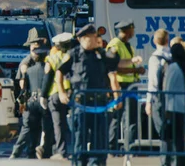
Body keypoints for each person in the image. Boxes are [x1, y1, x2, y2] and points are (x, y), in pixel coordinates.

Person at [57, 24, 119, 166]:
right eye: (93, 37)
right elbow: (59, 72)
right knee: (80, 137)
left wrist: (116, 95)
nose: (96, 39)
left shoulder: (101, 54)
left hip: (99, 103)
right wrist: (61, 92)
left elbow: (113, 70)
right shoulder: (73, 54)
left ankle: (97, 163)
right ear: (83, 39)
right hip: (81, 103)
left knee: (100, 137)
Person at [107, 19, 146, 152]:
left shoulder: (127, 45)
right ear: (127, 30)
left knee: (128, 118)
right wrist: (135, 70)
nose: (133, 32)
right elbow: (114, 67)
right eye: (132, 29)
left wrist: (137, 70)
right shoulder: (115, 45)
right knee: (122, 119)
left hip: (130, 85)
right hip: (121, 86)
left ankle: (127, 147)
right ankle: (117, 148)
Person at [10, 47, 54, 159]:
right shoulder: (48, 69)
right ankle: (42, 151)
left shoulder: (29, 70)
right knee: (45, 127)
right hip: (44, 101)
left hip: (31, 101)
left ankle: (17, 152)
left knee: (28, 127)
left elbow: (24, 87)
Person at [40, 32, 74, 160]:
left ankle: (62, 151)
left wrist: (43, 95)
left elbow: (47, 77)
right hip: (73, 92)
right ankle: (79, 148)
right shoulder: (74, 56)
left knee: (58, 124)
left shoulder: (52, 58)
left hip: (56, 94)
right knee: (75, 123)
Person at [164, 43, 185, 166]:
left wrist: (166, 108)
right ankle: (182, 162)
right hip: (182, 106)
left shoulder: (173, 67)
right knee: (179, 138)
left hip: (172, 107)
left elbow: (167, 88)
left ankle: (173, 162)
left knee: (172, 138)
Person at [145, 29, 171, 166]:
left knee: (163, 131)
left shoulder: (155, 58)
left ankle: (165, 160)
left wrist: (148, 102)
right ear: (167, 40)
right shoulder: (173, 56)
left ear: (155, 41)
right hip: (172, 99)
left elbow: (153, 82)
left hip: (159, 99)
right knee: (171, 130)